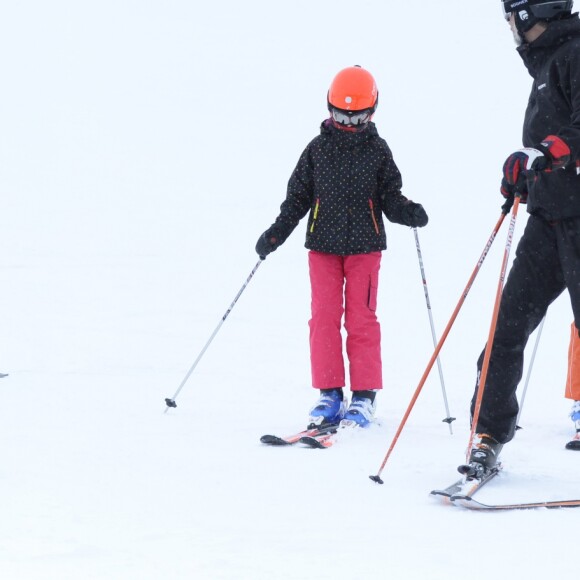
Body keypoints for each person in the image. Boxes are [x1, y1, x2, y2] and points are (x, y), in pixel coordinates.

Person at [255, 66, 428, 429]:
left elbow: (389, 197)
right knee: (324, 318)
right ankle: (330, 392)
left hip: (365, 247)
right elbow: (297, 199)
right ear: (329, 109)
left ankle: (364, 396)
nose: (348, 123)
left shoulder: (378, 151)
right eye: (341, 115)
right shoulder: (317, 149)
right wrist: (276, 233)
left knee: (362, 319)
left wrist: (407, 211)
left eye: (357, 116)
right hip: (323, 248)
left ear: (372, 112)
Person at [463, 0, 580, 477]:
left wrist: (545, 153)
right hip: (547, 219)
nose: (511, 28)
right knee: (506, 331)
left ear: (534, 16)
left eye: (514, 17)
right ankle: (487, 436)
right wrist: (523, 177)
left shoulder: (575, 54)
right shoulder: (548, 65)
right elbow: (545, 148)